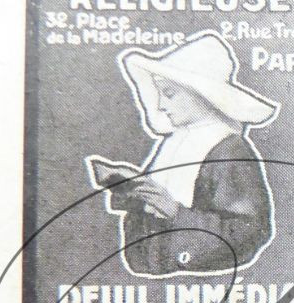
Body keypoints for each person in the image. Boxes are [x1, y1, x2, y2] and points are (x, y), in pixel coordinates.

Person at [90, 32, 279, 277]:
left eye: (169, 94)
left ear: (202, 95)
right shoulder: (174, 143)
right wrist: (130, 188)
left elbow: (248, 232)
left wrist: (174, 211)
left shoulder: (228, 150)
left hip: (205, 282)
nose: (160, 105)